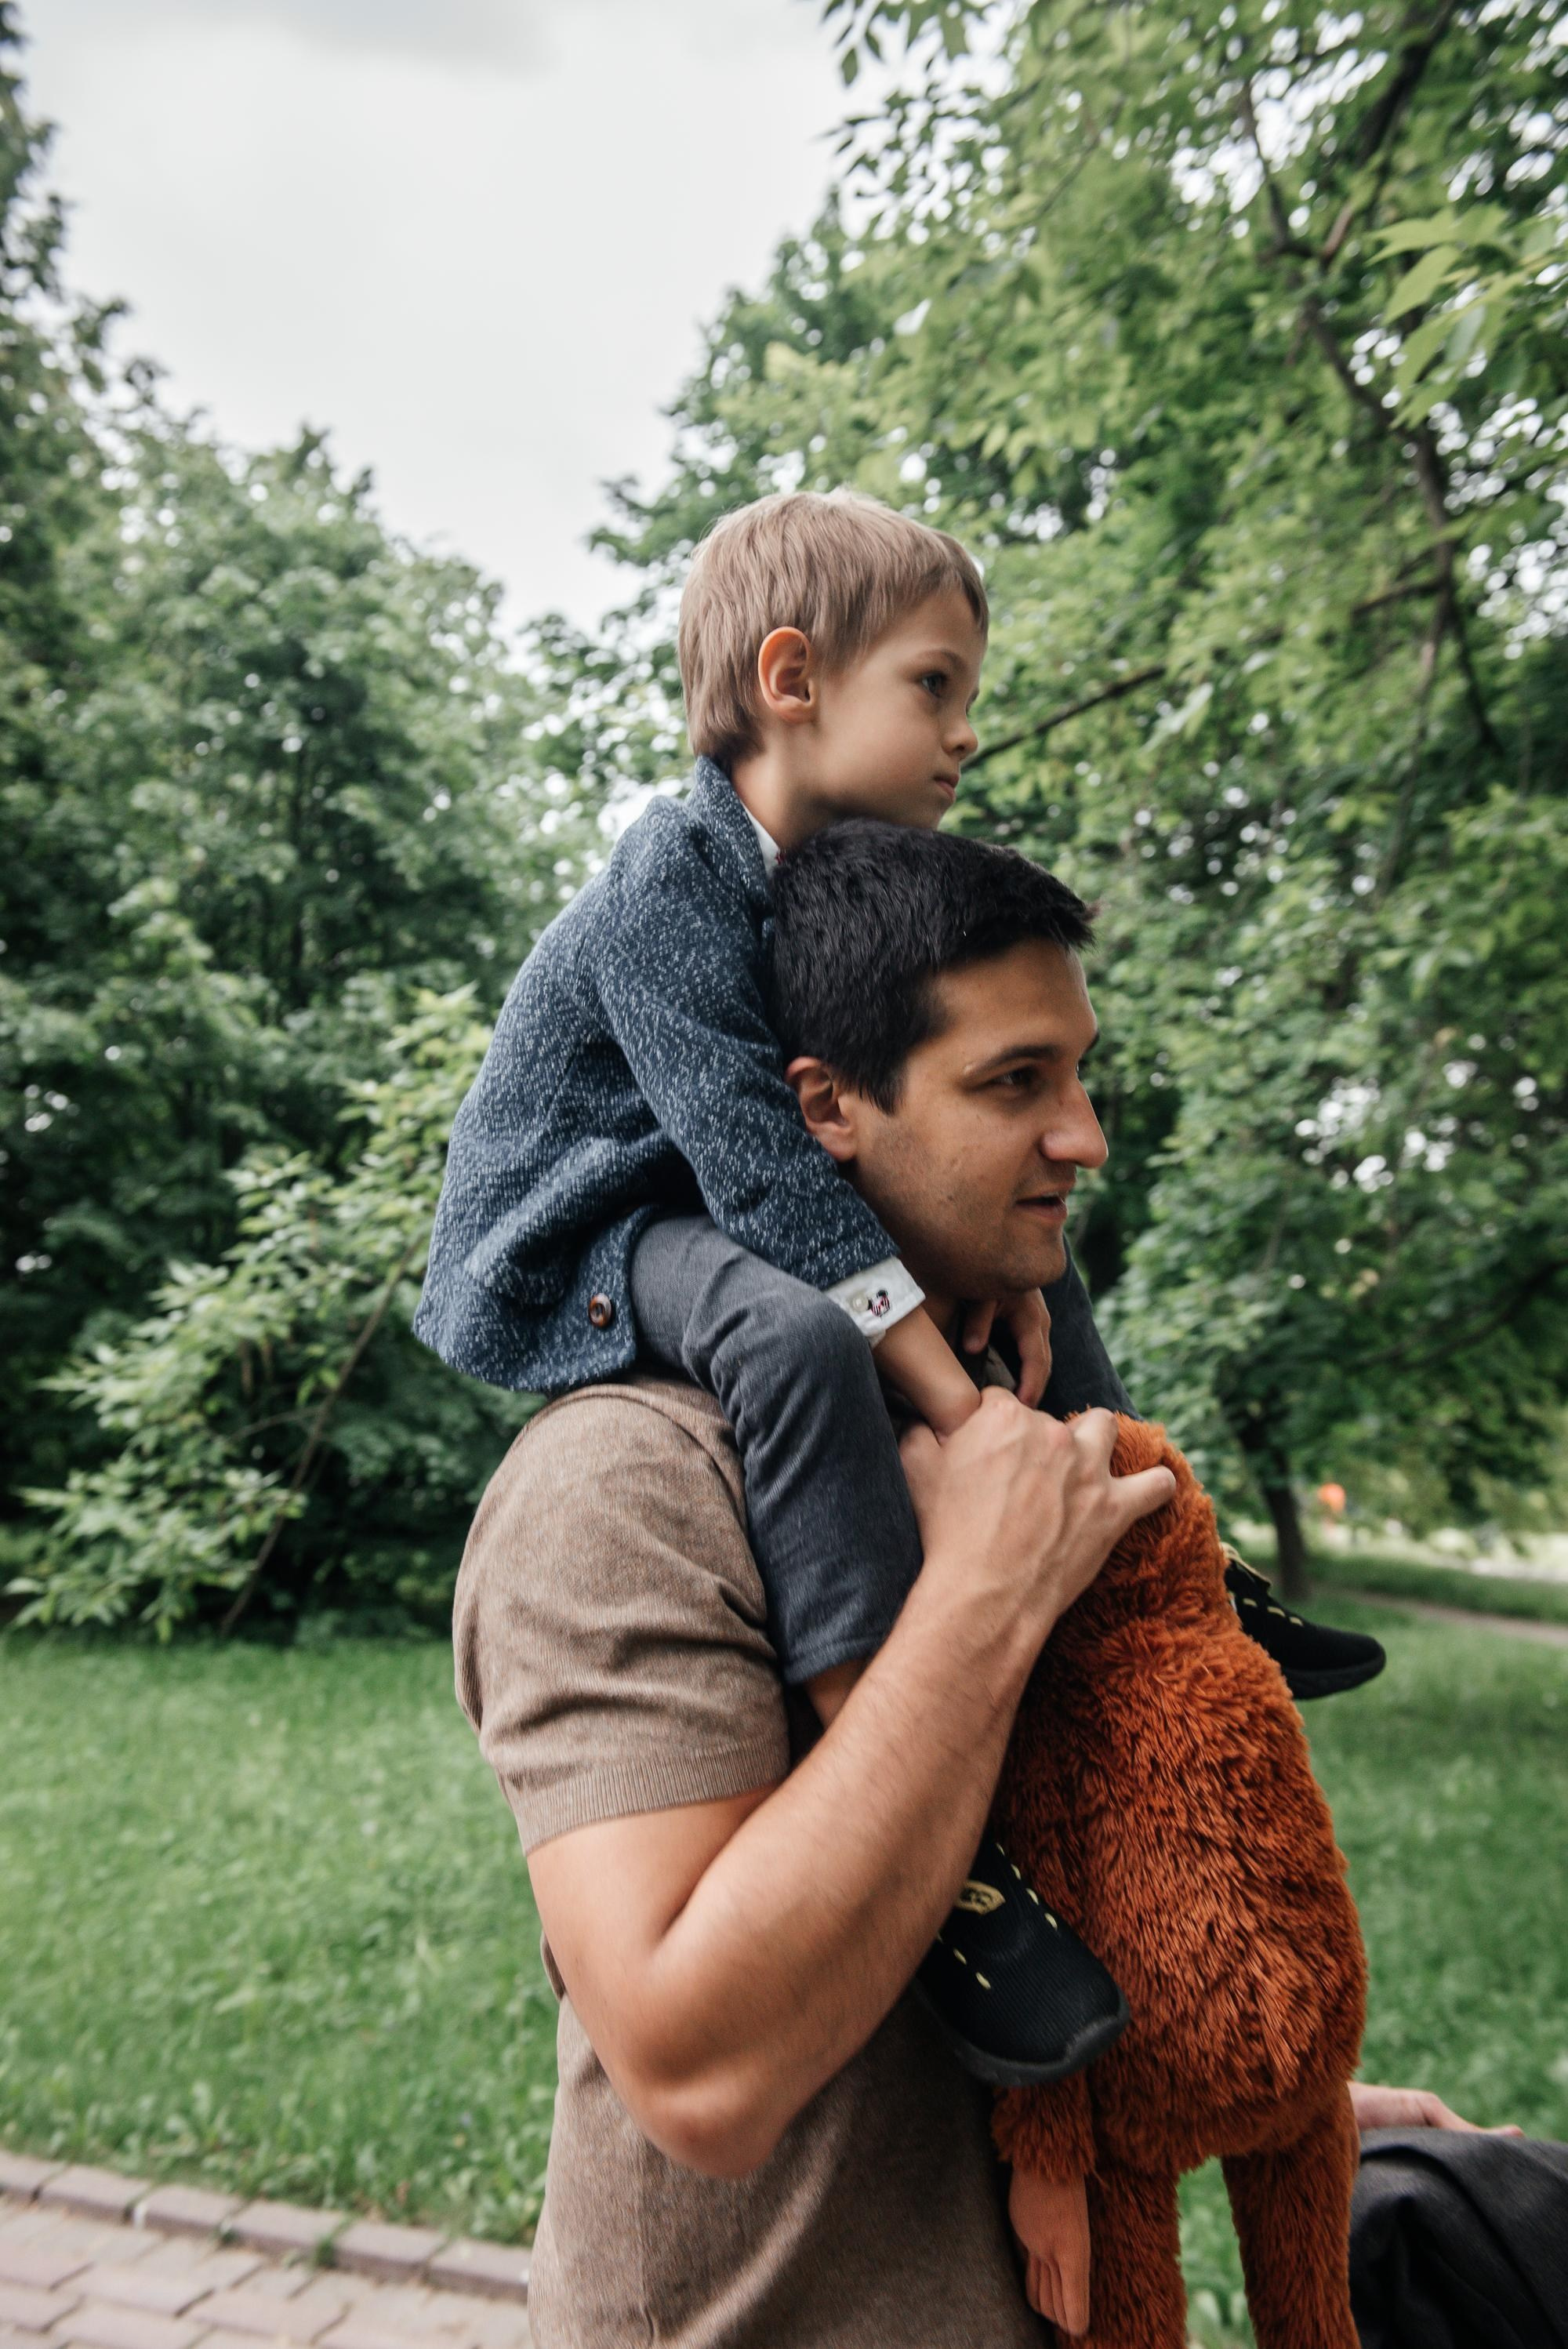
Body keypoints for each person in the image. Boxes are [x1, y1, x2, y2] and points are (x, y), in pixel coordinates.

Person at [452, 821, 1482, 2347]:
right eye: (1014, 1084)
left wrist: (1257, 2085)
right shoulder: (633, 1480)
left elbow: (1092, 1836)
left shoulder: (1014, 1434)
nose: (1083, 1136)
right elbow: (700, 2070)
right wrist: (982, 1600)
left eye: (1079, 1075)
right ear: (828, 1113)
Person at [419, 487, 1381, 2084]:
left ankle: (1177, 1561)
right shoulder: (668, 878)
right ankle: (890, 1742)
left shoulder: (814, 885)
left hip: (699, 1193)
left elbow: (854, 1139)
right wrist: (946, 1392)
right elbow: (758, 1159)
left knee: (1033, 1259)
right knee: (792, 1331)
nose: (964, 735)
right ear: (791, 681)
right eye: (935, 686)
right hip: (570, 1233)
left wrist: (978, 1299)